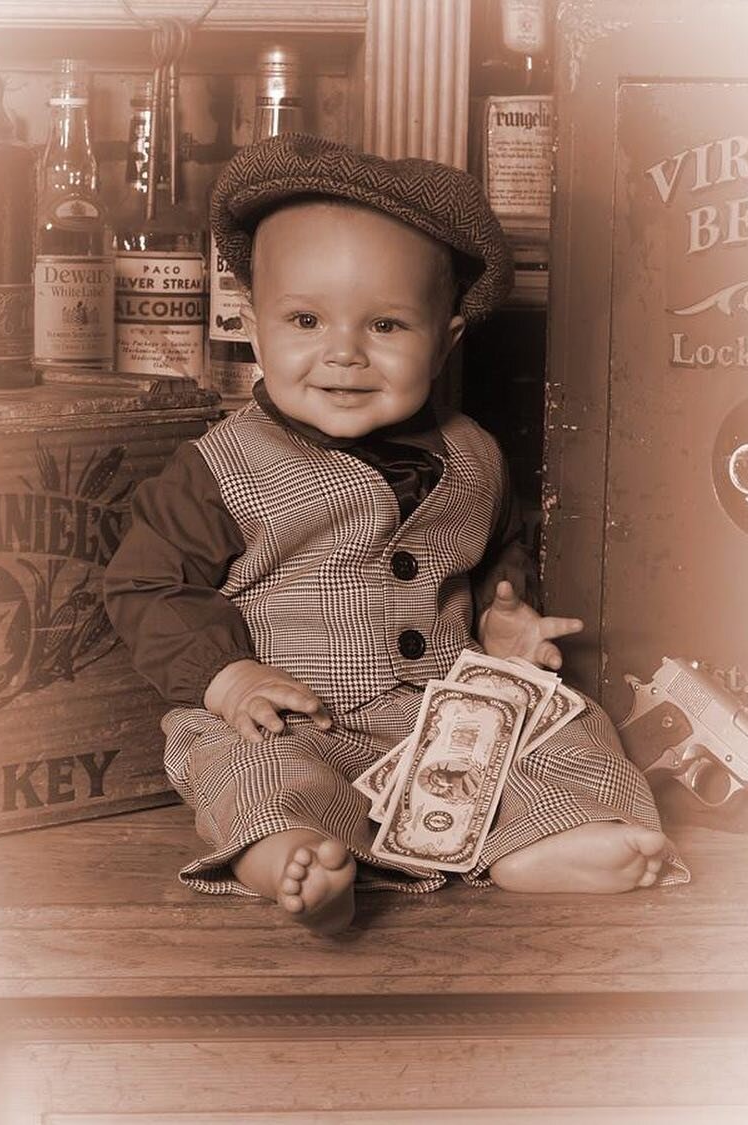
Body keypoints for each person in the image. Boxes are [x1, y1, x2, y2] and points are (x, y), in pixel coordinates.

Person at [104, 133, 688, 936]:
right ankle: (287, 851)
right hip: (291, 716)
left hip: (447, 720)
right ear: (249, 324)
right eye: (305, 319)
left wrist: (505, 614)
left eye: (384, 325)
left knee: (568, 722)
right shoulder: (218, 469)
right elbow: (145, 586)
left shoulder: (476, 455)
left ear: (445, 339)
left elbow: (497, 552)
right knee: (231, 758)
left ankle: (557, 835)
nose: (342, 353)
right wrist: (229, 676)